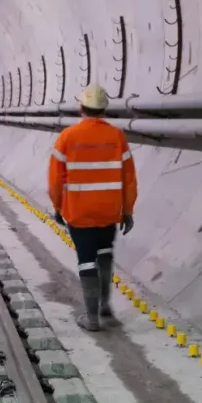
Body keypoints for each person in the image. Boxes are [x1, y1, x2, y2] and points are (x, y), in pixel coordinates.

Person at [48, 83, 137, 331]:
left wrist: (58, 207)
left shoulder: (67, 137)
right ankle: (105, 305)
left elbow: (55, 181)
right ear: (104, 110)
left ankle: (92, 318)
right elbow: (129, 177)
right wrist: (127, 210)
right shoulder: (117, 137)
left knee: (86, 261)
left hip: (79, 213)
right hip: (109, 212)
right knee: (105, 254)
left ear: (81, 108)